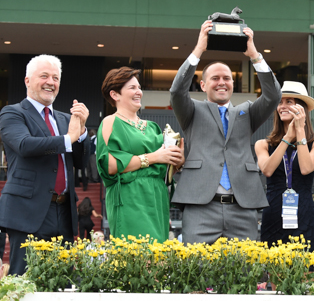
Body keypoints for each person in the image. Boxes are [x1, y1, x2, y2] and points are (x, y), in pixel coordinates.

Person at [170, 19, 281, 244]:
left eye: (227, 78)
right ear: (202, 85)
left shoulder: (247, 112)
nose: (222, 83)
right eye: (215, 78)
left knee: (243, 271)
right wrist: (199, 48)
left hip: (242, 206)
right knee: (197, 271)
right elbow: (176, 91)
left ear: (233, 83)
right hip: (201, 206)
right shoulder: (191, 110)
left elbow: (273, 97)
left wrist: (255, 56)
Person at [0, 54, 89, 275]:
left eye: (56, 78)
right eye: (44, 76)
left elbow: (80, 161)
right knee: (24, 280)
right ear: (27, 81)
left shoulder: (64, 119)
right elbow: (24, 145)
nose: (51, 82)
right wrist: (69, 138)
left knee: (62, 281)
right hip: (28, 211)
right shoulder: (12, 113)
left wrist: (84, 131)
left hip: (64, 210)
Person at [98, 67, 184, 243]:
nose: (139, 92)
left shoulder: (152, 127)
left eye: (139, 87)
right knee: (136, 259)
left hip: (157, 196)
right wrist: (155, 157)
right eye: (132, 88)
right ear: (115, 95)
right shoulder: (111, 122)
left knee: (158, 260)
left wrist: (176, 161)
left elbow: (163, 171)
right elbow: (111, 166)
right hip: (130, 197)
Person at [255, 81, 314, 256]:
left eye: (289, 102)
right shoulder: (263, 144)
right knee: (276, 276)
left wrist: (300, 131)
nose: (283, 106)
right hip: (274, 213)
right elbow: (267, 170)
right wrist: (287, 138)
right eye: (280, 102)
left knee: (306, 275)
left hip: (303, 212)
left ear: (302, 108)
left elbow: (306, 168)